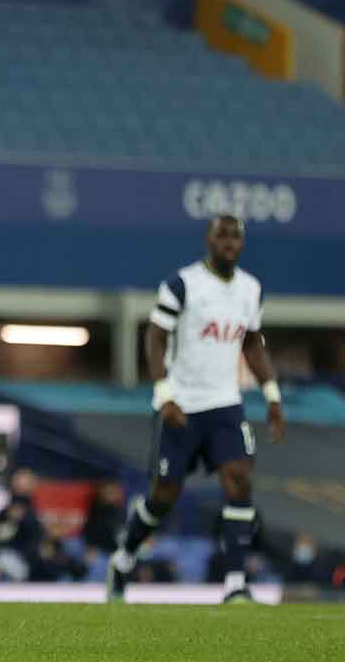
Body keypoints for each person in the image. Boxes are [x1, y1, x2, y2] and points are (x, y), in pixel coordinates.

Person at [106, 214, 286, 604]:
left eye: (236, 237)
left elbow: (252, 343)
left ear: (243, 243)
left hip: (226, 404)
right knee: (163, 497)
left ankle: (235, 583)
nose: (229, 243)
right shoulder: (183, 284)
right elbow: (155, 337)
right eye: (222, 236)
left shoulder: (251, 289)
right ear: (208, 239)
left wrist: (272, 394)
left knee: (239, 480)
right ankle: (124, 556)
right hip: (183, 406)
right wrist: (164, 394)